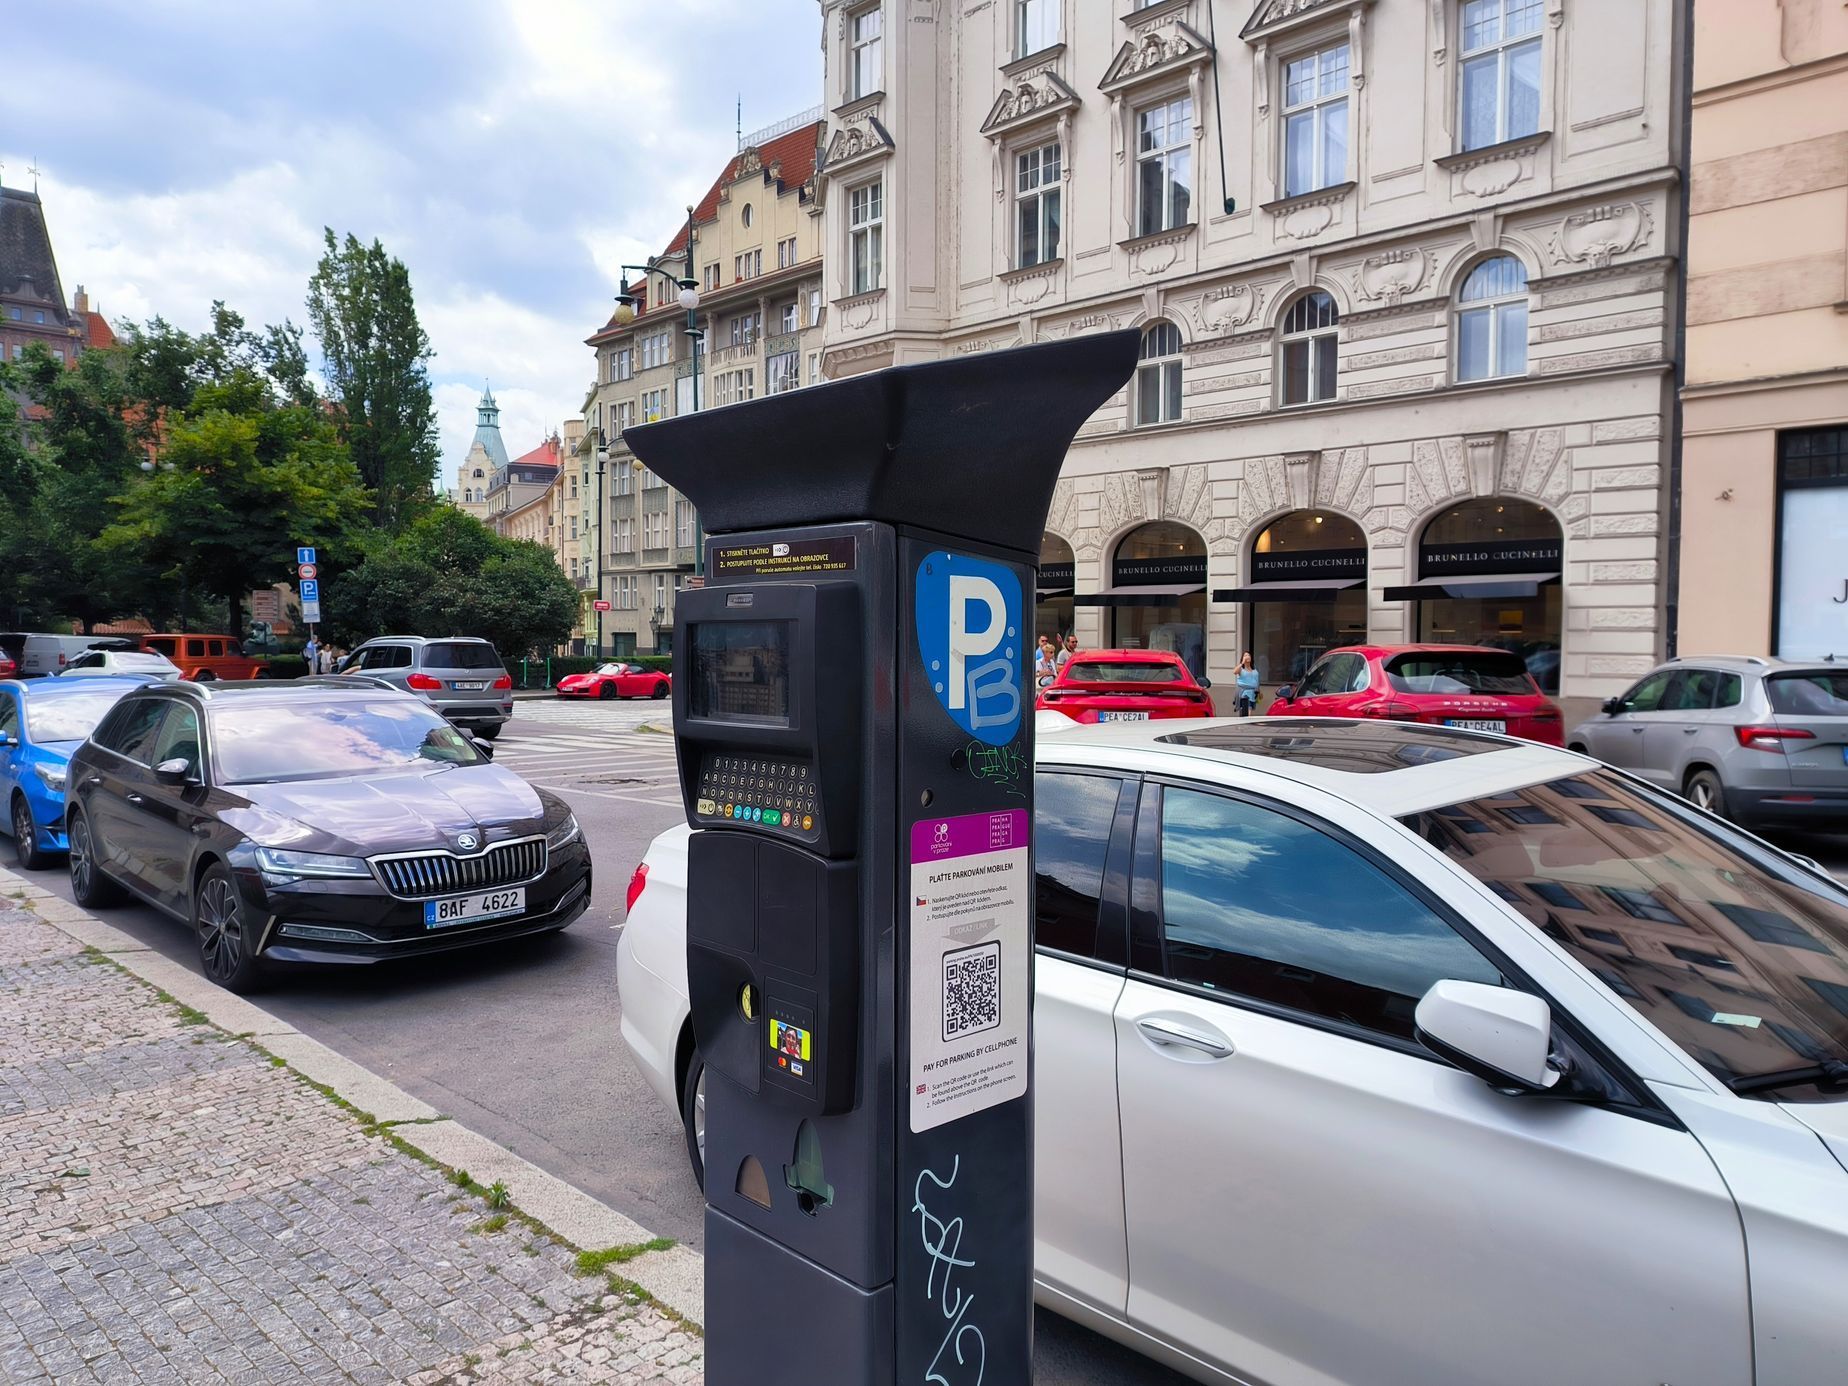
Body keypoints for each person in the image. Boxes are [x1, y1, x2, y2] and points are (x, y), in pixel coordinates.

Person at [1234, 651, 1261, 717]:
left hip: (1253, 693)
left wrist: (1259, 691)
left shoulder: (1254, 669)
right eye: (1245, 655)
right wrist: (1242, 663)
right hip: (1244, 693)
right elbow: (1235, 671)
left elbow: (1256, 680)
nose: (1247, 657)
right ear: (1242, 658)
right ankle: (1245, 724)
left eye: (1248, 655)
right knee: (1247, 711)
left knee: (1248, 711)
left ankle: (1243, 725)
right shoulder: (1241, 669)